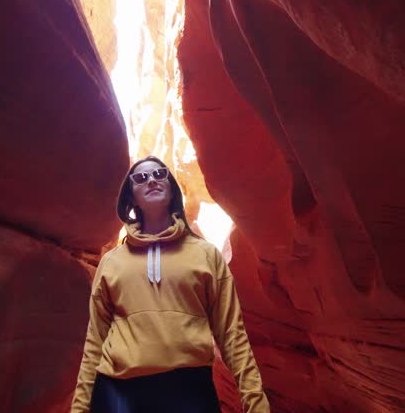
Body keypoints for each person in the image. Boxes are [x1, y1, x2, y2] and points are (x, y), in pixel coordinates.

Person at [71, 156, 270, 412]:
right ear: (130, 198)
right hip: (118, 394)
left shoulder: (205, 255)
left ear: (172, 188)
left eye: (160, 173)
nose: (152, 179)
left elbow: (232, 334)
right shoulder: (112, 262)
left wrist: (255, 402)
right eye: (141, 177)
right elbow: (95, 340)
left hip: (189, 391)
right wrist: (79, 408)